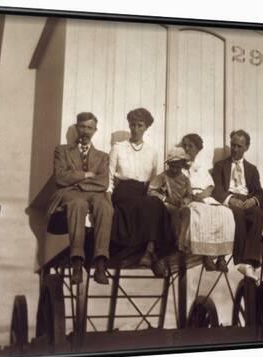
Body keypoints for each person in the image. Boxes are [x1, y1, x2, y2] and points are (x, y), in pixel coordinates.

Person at [47, 112, 113, 285]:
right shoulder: (62, 151)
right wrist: (86, 174)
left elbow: (103, 183)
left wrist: (78, 182)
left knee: (105, 206)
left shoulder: (103, 156)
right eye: (82, 126)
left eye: (89, 128)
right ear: (77, 128)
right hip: (69, 193)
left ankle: (100, 262)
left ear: (95, 131)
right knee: (78, 204)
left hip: (91, 192)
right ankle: (77, 261)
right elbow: (60, 178)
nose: (85, 131)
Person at [108, 108, 175, 277]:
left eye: (140, 125)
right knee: (147, 204)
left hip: (143, 192)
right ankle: (153, 255)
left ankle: (150, 251)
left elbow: (154, 181)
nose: (135, 129)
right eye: (132, 125)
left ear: (146, 128)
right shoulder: (118, 148)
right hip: (123, 191)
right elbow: (109, 177)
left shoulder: (152, 152)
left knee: (156, 203)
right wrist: (108, 197)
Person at [211, 130, 263, 281]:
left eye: (239, 146)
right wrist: (230, 199)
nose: (235, 149)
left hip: (247, 199)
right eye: (233, 145)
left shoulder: (252, 169)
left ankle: (251, 261)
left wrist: (254, 200)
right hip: (231, 199)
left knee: (258, 214)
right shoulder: (220, 166)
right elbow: (217, 189)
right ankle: (240, 260)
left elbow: (259, 192)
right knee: (238, 214)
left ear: (246, 147)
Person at [179, 134, 235, 272]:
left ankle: (222, 257)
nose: (186, 149)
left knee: (225, 212)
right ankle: (206, 256)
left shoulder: (201, 167)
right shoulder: (179, 167)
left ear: (197, 150)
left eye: (190, 146)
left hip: (205, 197)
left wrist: (203, 195)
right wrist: (192, 196)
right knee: (200, 213)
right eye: (184, 146)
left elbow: (210, 186)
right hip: (191, 198)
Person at [148, 147, 194, 240]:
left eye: (178, 167)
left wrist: (184, 201)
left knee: (186, 212)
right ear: (169, 164)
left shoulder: (185, 179)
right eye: (172, 166)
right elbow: (150, 191)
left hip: (179, 204)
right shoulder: (163, 176)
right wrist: (166, 199)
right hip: (166, 204)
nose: (175, 170)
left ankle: (181, 241)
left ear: (182, 165)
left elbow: (189, 195)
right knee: (175, 213)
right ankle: (176, 243)